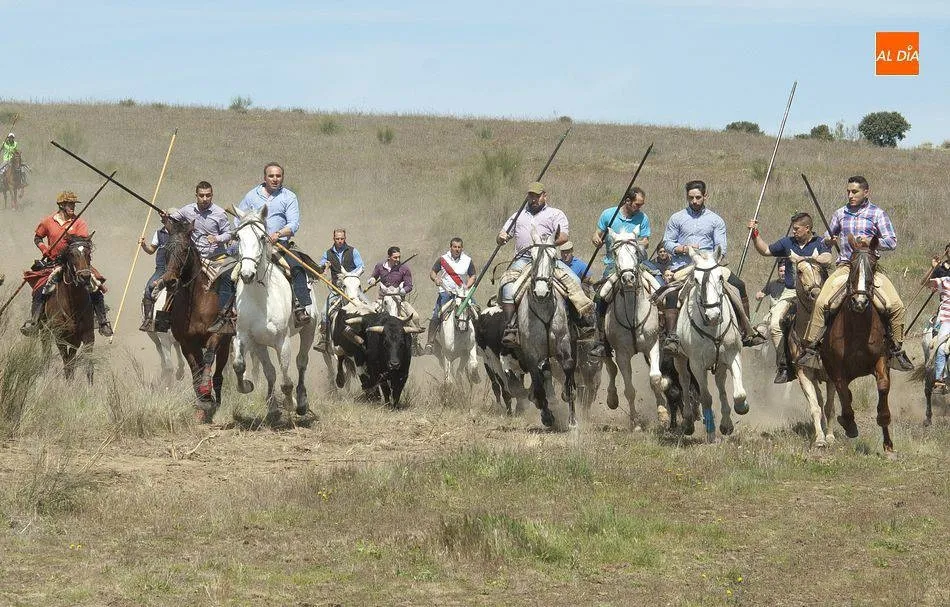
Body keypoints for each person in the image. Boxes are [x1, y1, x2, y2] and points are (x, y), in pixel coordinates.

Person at [796, 176, 914, 371]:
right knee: (821, 302)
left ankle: (895, 349)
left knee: (896, 305)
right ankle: (812, 348)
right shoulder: (840, 214)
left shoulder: (877, 214)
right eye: (848, 192)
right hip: (845, 267)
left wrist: (869, 241)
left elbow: (891, 242)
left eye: (855, 192)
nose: (850, 195)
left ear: (866, 192)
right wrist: (829, 239)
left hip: (870, 268)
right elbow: (826, 238)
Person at [661, 179, 765, 353]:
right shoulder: (676, 218)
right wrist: (684, 248)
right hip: (684, 266)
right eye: (691, 198)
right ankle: (672, 337)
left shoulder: (716, 220)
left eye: (698, 197)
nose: (694, 201)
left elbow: (721, 247)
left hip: (710, 265)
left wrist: (711, 257)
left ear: (705, 196)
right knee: (671, 293)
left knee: (739, 285)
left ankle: (747, 331)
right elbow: (668, 242)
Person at [496, 181, 594, 348]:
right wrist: (502, 236)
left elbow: (564, 236)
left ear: (544, 196)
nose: (533, 199)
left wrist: (547, 246)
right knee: (507, 286)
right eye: (530, 196)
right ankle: (511, 328)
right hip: (524, 259)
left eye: (536, 196)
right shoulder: (518, 215)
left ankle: (579, 323)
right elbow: (502, 235)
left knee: (574, 281)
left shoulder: (555, 214)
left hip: (549, 260)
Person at [747, 212, 830, 383]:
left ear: (807, 228)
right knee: (775, 323)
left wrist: (804, 259)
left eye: (797, 229)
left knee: (836, 313)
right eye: (793, 229)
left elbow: (828, 258)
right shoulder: (787, 243)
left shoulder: (820, 242)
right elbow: (766, 250)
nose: (794, 232)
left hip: (819, 290)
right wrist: (755, 234)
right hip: (793, 292)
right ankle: (785, 366)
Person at [20, 191, 113, 336]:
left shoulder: (79, 222)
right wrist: (44, 249)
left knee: (94, 285)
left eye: (74, 204)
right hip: (54, 262)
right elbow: (37, 237)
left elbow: (82, 243)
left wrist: (70, 238)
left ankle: (102, 321)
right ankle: (35, 321)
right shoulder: (48, 221)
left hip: (76, 262)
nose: (73, 207)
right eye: (70, 204)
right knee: (40, 288)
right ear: (61, 205)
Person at [235, 162, 312, 327]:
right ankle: (227, 313)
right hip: (253, 246)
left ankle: (300, 307)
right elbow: (238, 219)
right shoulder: (251, 196)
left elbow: (293, 223)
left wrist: (278, 234)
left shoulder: (289, 197)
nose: (275, 179)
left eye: (278, 176)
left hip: (280, 245)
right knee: (229, 273)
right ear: (264, 177)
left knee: (297, 267)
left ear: (282, 177)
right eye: (271, 176)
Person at [589, 186, 652, 357]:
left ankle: (659, 332)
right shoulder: (608, 214)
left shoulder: (642, 218)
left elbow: (645, 240)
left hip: (636, 263)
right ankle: (600, 340)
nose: (640, 208)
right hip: (613, 265)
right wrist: (596, 238)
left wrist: (636, 244)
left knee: (657, 288)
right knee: (600, 297)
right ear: (627, 201)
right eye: (637, 204)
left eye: (641, 205)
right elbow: (597, 233)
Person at [165, 182, 235, 334]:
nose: (205, 198)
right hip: (194, 257)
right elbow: (172, 221)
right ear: (196, 195)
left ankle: (229, 317)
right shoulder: (187, 210)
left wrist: (216, 239)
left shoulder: (219, 213)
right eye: (201, 195)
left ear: (212, 195)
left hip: (216, 257)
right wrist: (165, 217)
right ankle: (165, 317)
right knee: (172, 278)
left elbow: (229, 234)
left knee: (229, 279)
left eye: (208, 195)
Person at [313, 228, 365, 353]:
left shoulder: (353, 251)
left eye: (342, 239)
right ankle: (323, 340)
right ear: (334, 239)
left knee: (370, 307)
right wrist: (324, 265)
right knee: (324, 313)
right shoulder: (328, 253)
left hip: (353, 289)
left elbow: (361, 267)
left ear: (345, 238)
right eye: (337, 239)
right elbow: (321, 265)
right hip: (337, 290)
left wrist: (349, 276)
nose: (340, 241)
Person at [425, 237, 476, 353]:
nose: (457, 249)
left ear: (462, 248)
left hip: (462, 293)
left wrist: (467, 287)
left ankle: (478, 342)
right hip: (446, 292)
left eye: (459, 247)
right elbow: (433, 272)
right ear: (451, 247)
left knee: (476, 311)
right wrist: (436, 279)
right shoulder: (443, 259)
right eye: (455, 247)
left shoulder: (467, 260)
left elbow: (473, 275)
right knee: (437, 315)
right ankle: (430, 342)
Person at [137, 208, 177, 331]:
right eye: (167, 218)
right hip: (160, 269)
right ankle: (148, 320)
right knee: (149, 288)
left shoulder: (178, 233)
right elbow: (151, 251)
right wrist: (143, 245)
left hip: (175, 270)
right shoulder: (159, 233)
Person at [928, 256, 950, 393]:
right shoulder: (945, 279)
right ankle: (939, 377)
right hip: (947, 318)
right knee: (942, 347)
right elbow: (926, 283)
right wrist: (934, 268)